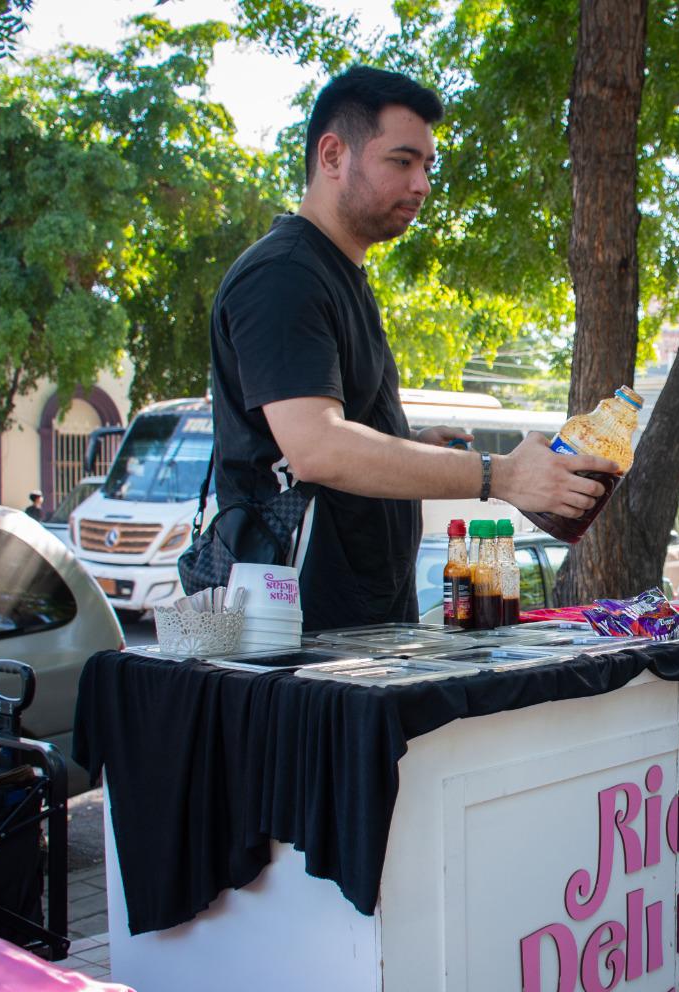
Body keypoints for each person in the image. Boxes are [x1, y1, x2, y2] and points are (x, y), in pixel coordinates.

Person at [208, 66, 616, 631]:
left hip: (360, 626)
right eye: (402, 161)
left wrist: (410, 444)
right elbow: (317, 449)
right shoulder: (284, 274)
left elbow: (334, 437)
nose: (422, 184)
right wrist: (499, 475)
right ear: (332, 156)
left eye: (427, 165)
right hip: (296, 640)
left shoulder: (340, 273)